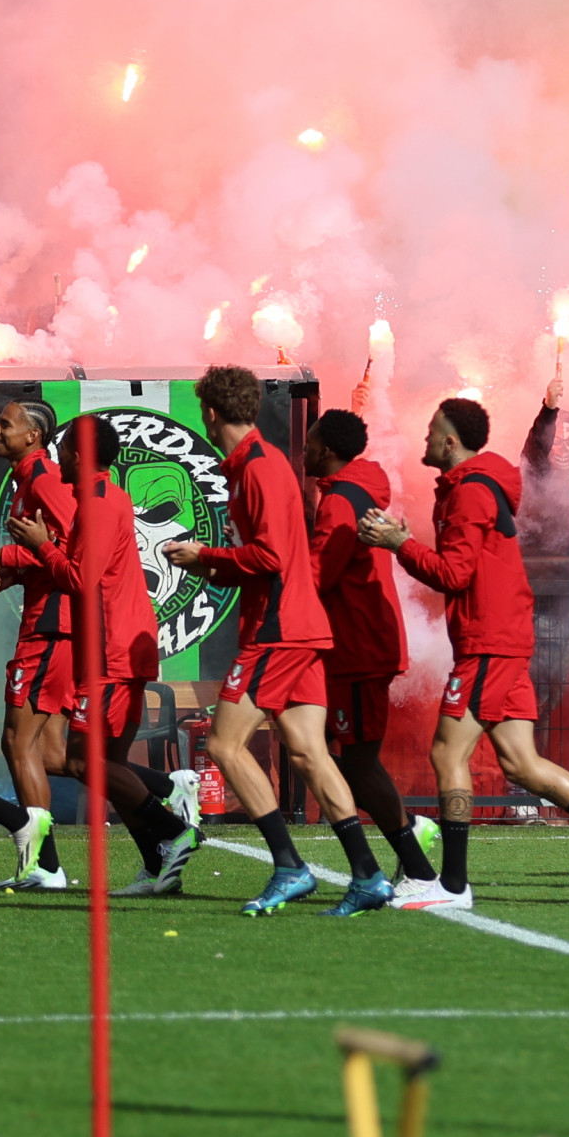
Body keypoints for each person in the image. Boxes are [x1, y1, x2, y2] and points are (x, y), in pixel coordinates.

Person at [360, 394, 569, 909]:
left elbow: (453, 573)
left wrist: (398, 542)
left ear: (449, 440)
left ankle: (455, 886)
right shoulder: (471, 488)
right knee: (523, 765)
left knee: (447, 751)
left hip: (490, 642)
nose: (424, 439)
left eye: (430, 430)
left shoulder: (470, 493)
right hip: (497, 638)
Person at [155, 366, 393, 915]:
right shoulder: (252, 464)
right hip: (299, 627)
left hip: (279, 630)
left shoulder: (258, 469)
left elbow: (271, 557)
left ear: (210, 414)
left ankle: (289, 868)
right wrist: (213, 564)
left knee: (222, 746)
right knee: (309, 753)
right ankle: (369, 874)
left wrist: (205, 558)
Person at [305, 407, 443, 898]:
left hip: (358, 649)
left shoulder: (340, 503)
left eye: (311, 440)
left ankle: (418, 866)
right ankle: (404, 840)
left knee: (356, 762)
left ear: (328, 450)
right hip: (355, 645)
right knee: (326, 753)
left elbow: (318, 575)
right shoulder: (351, 492)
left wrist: (259, 569)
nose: (305, 448)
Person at [0, 397, 83, 890]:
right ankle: (167, 794)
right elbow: (48, 556)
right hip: (47, 621)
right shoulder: (25, 480)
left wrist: (10, 554)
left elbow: (73, 545)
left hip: (52, 628)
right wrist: (12, 573)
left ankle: (46, 865)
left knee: (17, 743)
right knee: (52, 755)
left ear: (33, 435)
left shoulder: (45, 479)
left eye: (5, 424)